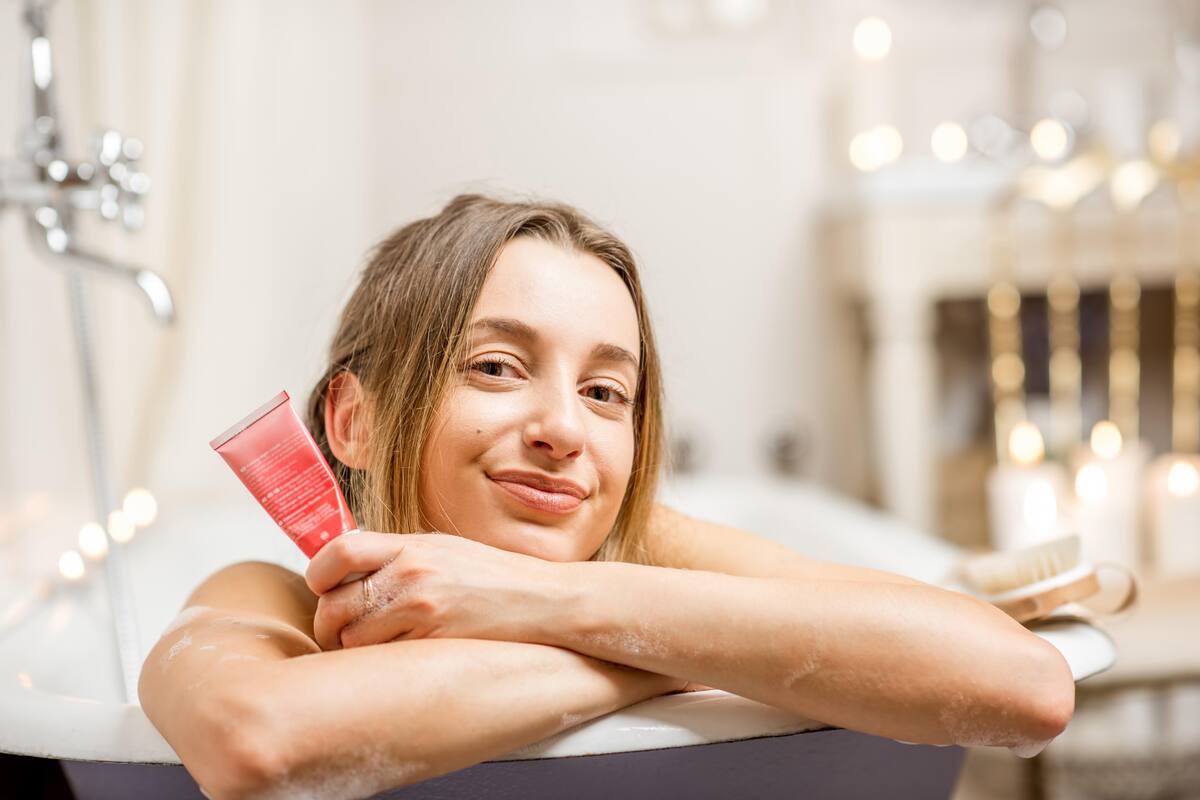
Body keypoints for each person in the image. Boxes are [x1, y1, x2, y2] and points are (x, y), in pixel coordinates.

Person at [139, 193, 1075, 800]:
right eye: (498, 368)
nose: (565, 430)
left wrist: (550, 600)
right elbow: (252, 739)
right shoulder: (274, 598)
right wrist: (695, 652)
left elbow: (1024, 685)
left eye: (604, 392)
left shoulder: (644, 548)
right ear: (354, 419)